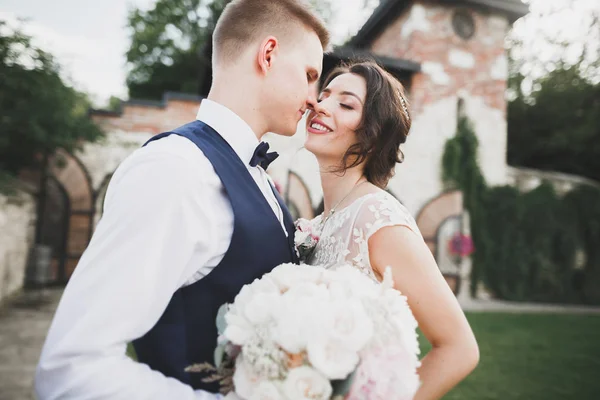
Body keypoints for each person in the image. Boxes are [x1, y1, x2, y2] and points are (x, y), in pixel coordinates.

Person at [34, 1, 328, 398]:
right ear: (268, 54)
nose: (315, 99)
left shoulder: (261, 177)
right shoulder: (176, 170)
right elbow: (71, 369)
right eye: (310, 75)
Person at [303, 60, 480, 399]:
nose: (321, 106)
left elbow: (459, 348)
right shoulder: (316, 224)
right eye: (323, 95)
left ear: (373, 133)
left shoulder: (377, 217)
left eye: (345, 103)